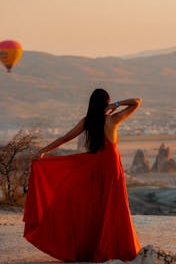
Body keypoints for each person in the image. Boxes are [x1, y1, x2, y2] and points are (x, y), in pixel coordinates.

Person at [23, 89, 142, 262]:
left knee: (92, 208)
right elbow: (137, 101)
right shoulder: (112, 120)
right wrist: (115, 105)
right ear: (105, 103)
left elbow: (64, 138)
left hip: (93, 167)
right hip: (111, 168)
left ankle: (89, 247)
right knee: (113, 208)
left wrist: (43, 151)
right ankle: (113, 248)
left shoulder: (87, 122)